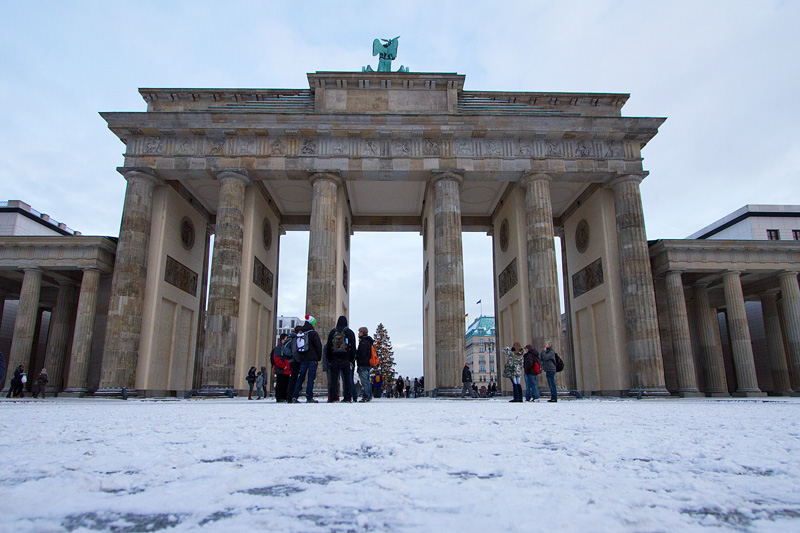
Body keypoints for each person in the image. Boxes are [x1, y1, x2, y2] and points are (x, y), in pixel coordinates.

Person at [326, 315, 356, 403]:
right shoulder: (349, 332)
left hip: (334, 359)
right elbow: (353, 348)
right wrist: (351, 359)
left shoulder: (332, 332)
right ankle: (347, 397)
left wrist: (329, 359)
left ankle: (333, 397)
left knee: (334, 379)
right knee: (347, 379)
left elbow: (328, 347)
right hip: (346, 359)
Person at [292, 315, 323, 403]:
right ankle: (309, 397)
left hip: (303, 359)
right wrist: (318, 357)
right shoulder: (313, 333)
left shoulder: (301, 333)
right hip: (312, 359)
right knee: (310, 378)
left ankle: (295, 396)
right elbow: (318, 346)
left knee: (301, 377)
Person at [356, 327, 374, 402]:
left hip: (363, 364)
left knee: (364, 381)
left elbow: (362, 353)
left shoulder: (363, 342)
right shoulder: (368, 341)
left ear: (362, 333)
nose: (358, 333)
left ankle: (366, 396)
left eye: (359, 332)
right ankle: (368, 395)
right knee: (366, 380)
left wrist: (357, 356)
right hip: (367, 364)